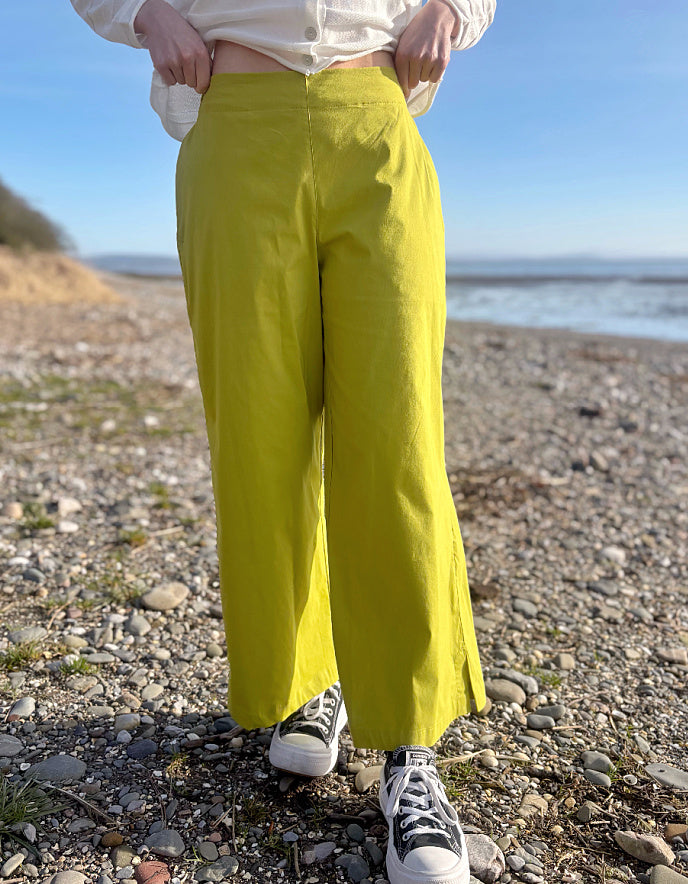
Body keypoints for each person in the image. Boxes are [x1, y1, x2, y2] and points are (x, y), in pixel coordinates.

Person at [69, 1, 496, 881]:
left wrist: (453, 7)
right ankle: (314, 683)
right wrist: (144, 12)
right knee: (260, 437)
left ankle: (411, 748)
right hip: (235, 125)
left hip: (373, 120)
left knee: (400, 438)